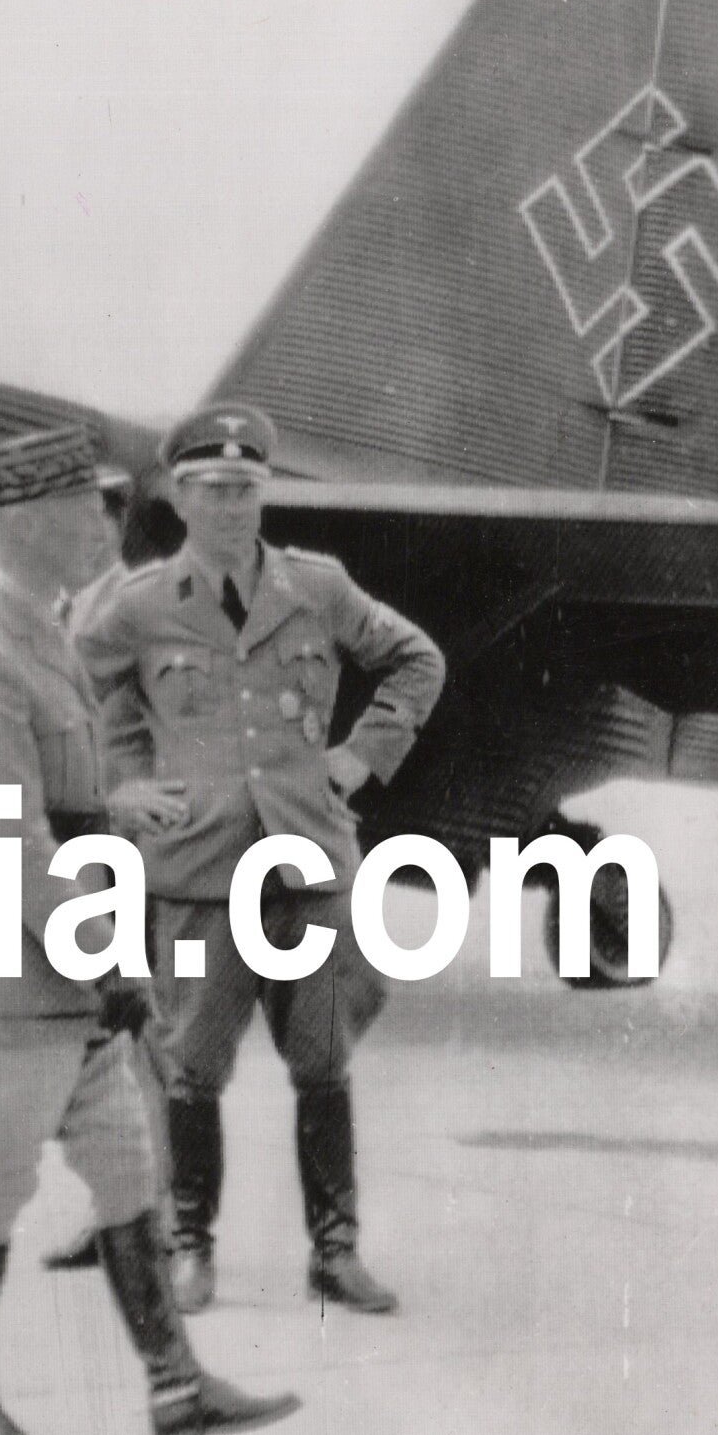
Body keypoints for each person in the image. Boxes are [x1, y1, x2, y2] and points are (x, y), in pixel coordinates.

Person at [0, 423, 301, 1435]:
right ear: (23, 523)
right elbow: (16, 845)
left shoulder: (39, 627)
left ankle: (177, 1386)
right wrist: (109, 966)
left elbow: (65, 804)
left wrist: (111, 831)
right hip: (13, 961)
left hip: (65, 948)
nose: (105, 526)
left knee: (126, 1166)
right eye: (83, 509)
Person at [67, 402, 446, 1315]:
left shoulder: (316, 587)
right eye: (212, 490)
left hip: (306, 864)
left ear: (262, 494)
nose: (231, 507)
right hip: (199, 871)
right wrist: (118, 787)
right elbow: (64, 691)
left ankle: (335, 1252)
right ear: (179, 498)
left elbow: (416, 660)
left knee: (322, 1061)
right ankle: (189, 1249)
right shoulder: (139, 605)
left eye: (244, 489)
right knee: (191, 1068)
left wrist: (361, 757)